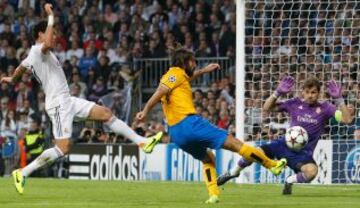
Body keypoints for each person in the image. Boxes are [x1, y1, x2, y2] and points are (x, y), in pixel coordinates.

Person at [2, 4, 162, 195]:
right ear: (39, 34)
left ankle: (141, 142)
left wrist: (12, 78)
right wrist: (51, 16)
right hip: (58, 105)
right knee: (63, 148)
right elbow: (47, 46)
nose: (54, 36)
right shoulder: (37, 51)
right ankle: (22, 173)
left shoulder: (32, 56)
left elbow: (21, 67)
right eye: (49, 32)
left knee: (106, 114)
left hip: (68, 100)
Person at [135, 45, 287, 204]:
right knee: (235, 144)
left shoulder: (180, 76)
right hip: (190, 124)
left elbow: (186, 78)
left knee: (208, 159)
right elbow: (160, 91)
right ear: (184, 62)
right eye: (193, 62)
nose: (195, 65)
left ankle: (213, 195)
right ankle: (272, 165)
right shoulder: (173, 73)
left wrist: (204, 71)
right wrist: (145, 111)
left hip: (176, 134)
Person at [217, 76, 353, 195]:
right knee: (253, 153)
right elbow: (266, 108)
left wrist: (340, 100)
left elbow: (347, 120)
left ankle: (289, 181)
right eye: (307, 92)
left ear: (319, 93)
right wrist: (277, 93)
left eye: (314, 92)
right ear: (302, 92)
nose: (310, 95)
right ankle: (234, 172)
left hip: (303, 153)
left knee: (312, 172)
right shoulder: (294, 103)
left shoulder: (326, 108)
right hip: (282, 145)